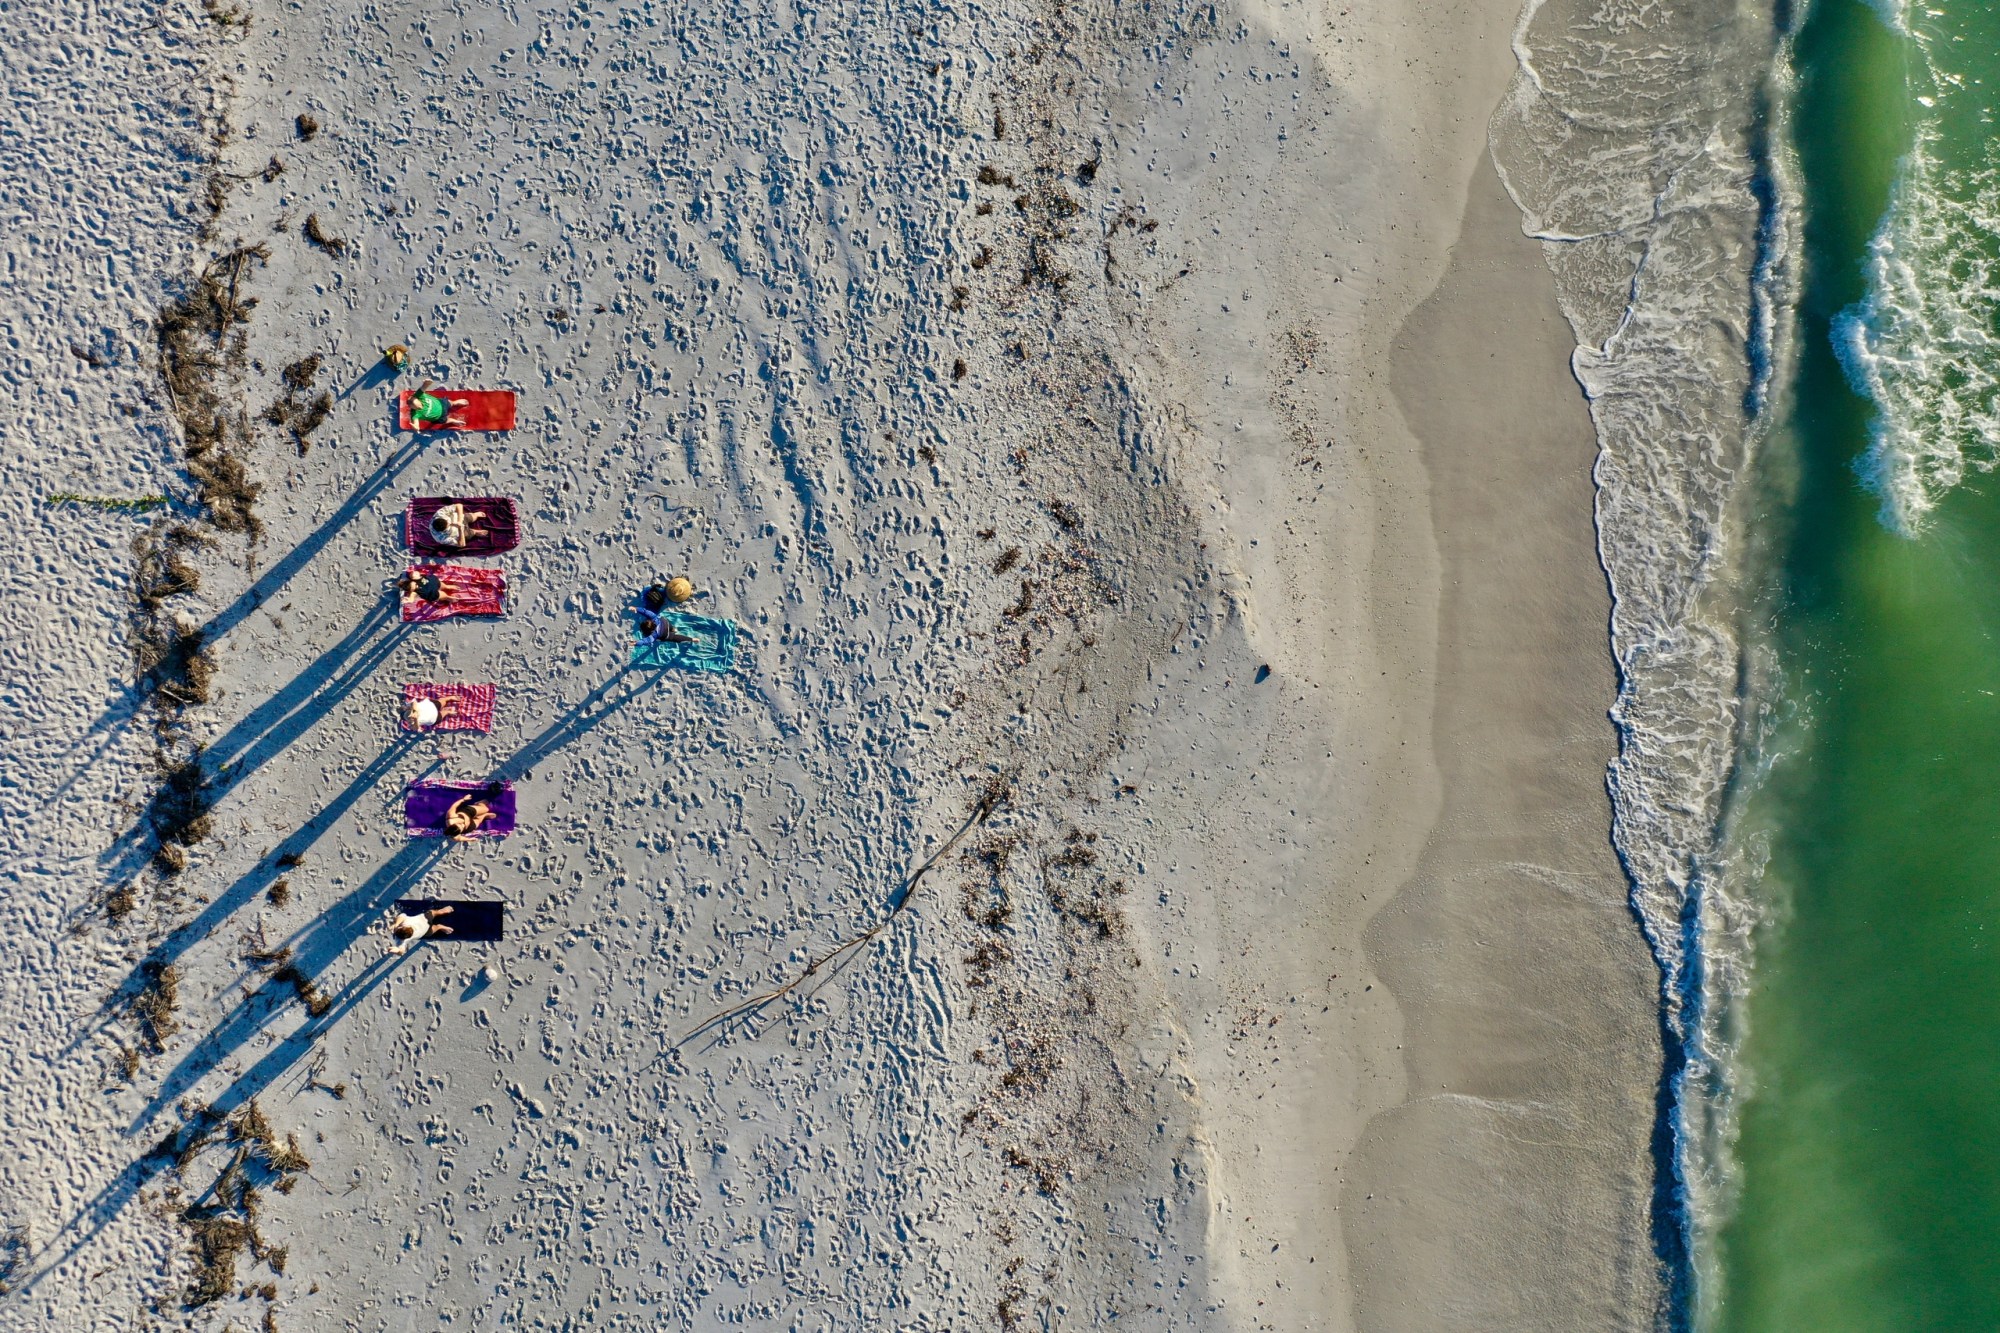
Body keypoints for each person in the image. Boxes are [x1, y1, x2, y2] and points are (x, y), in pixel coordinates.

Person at [386, 904, 454, 955]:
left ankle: (439, 926)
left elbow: (402, 951)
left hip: (426, 930)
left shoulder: (403, 940)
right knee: (433, 912)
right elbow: (402, 915)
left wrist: (398, 950)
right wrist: (396, 924)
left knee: (431, 931)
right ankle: (440, 912)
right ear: (403, 927)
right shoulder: (406, 922)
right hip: (426, 920)